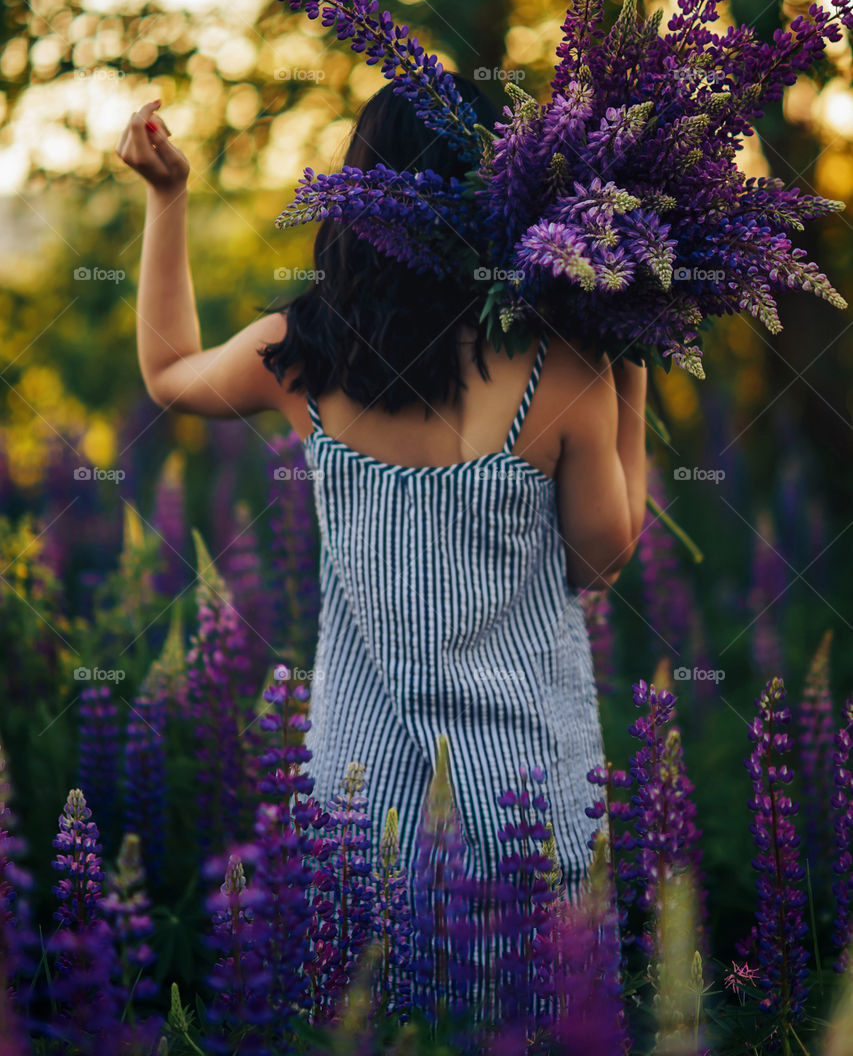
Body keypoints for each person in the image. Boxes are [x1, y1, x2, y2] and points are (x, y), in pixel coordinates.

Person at [117, 75, 647, 1001]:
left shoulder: (303, 349)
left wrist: (169, 196)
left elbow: (167, 373)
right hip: (527, 788)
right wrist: (626, 374)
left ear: (361, 194)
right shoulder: (563, 366)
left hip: (363, 792)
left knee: (371, 1012)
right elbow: (600, 560)